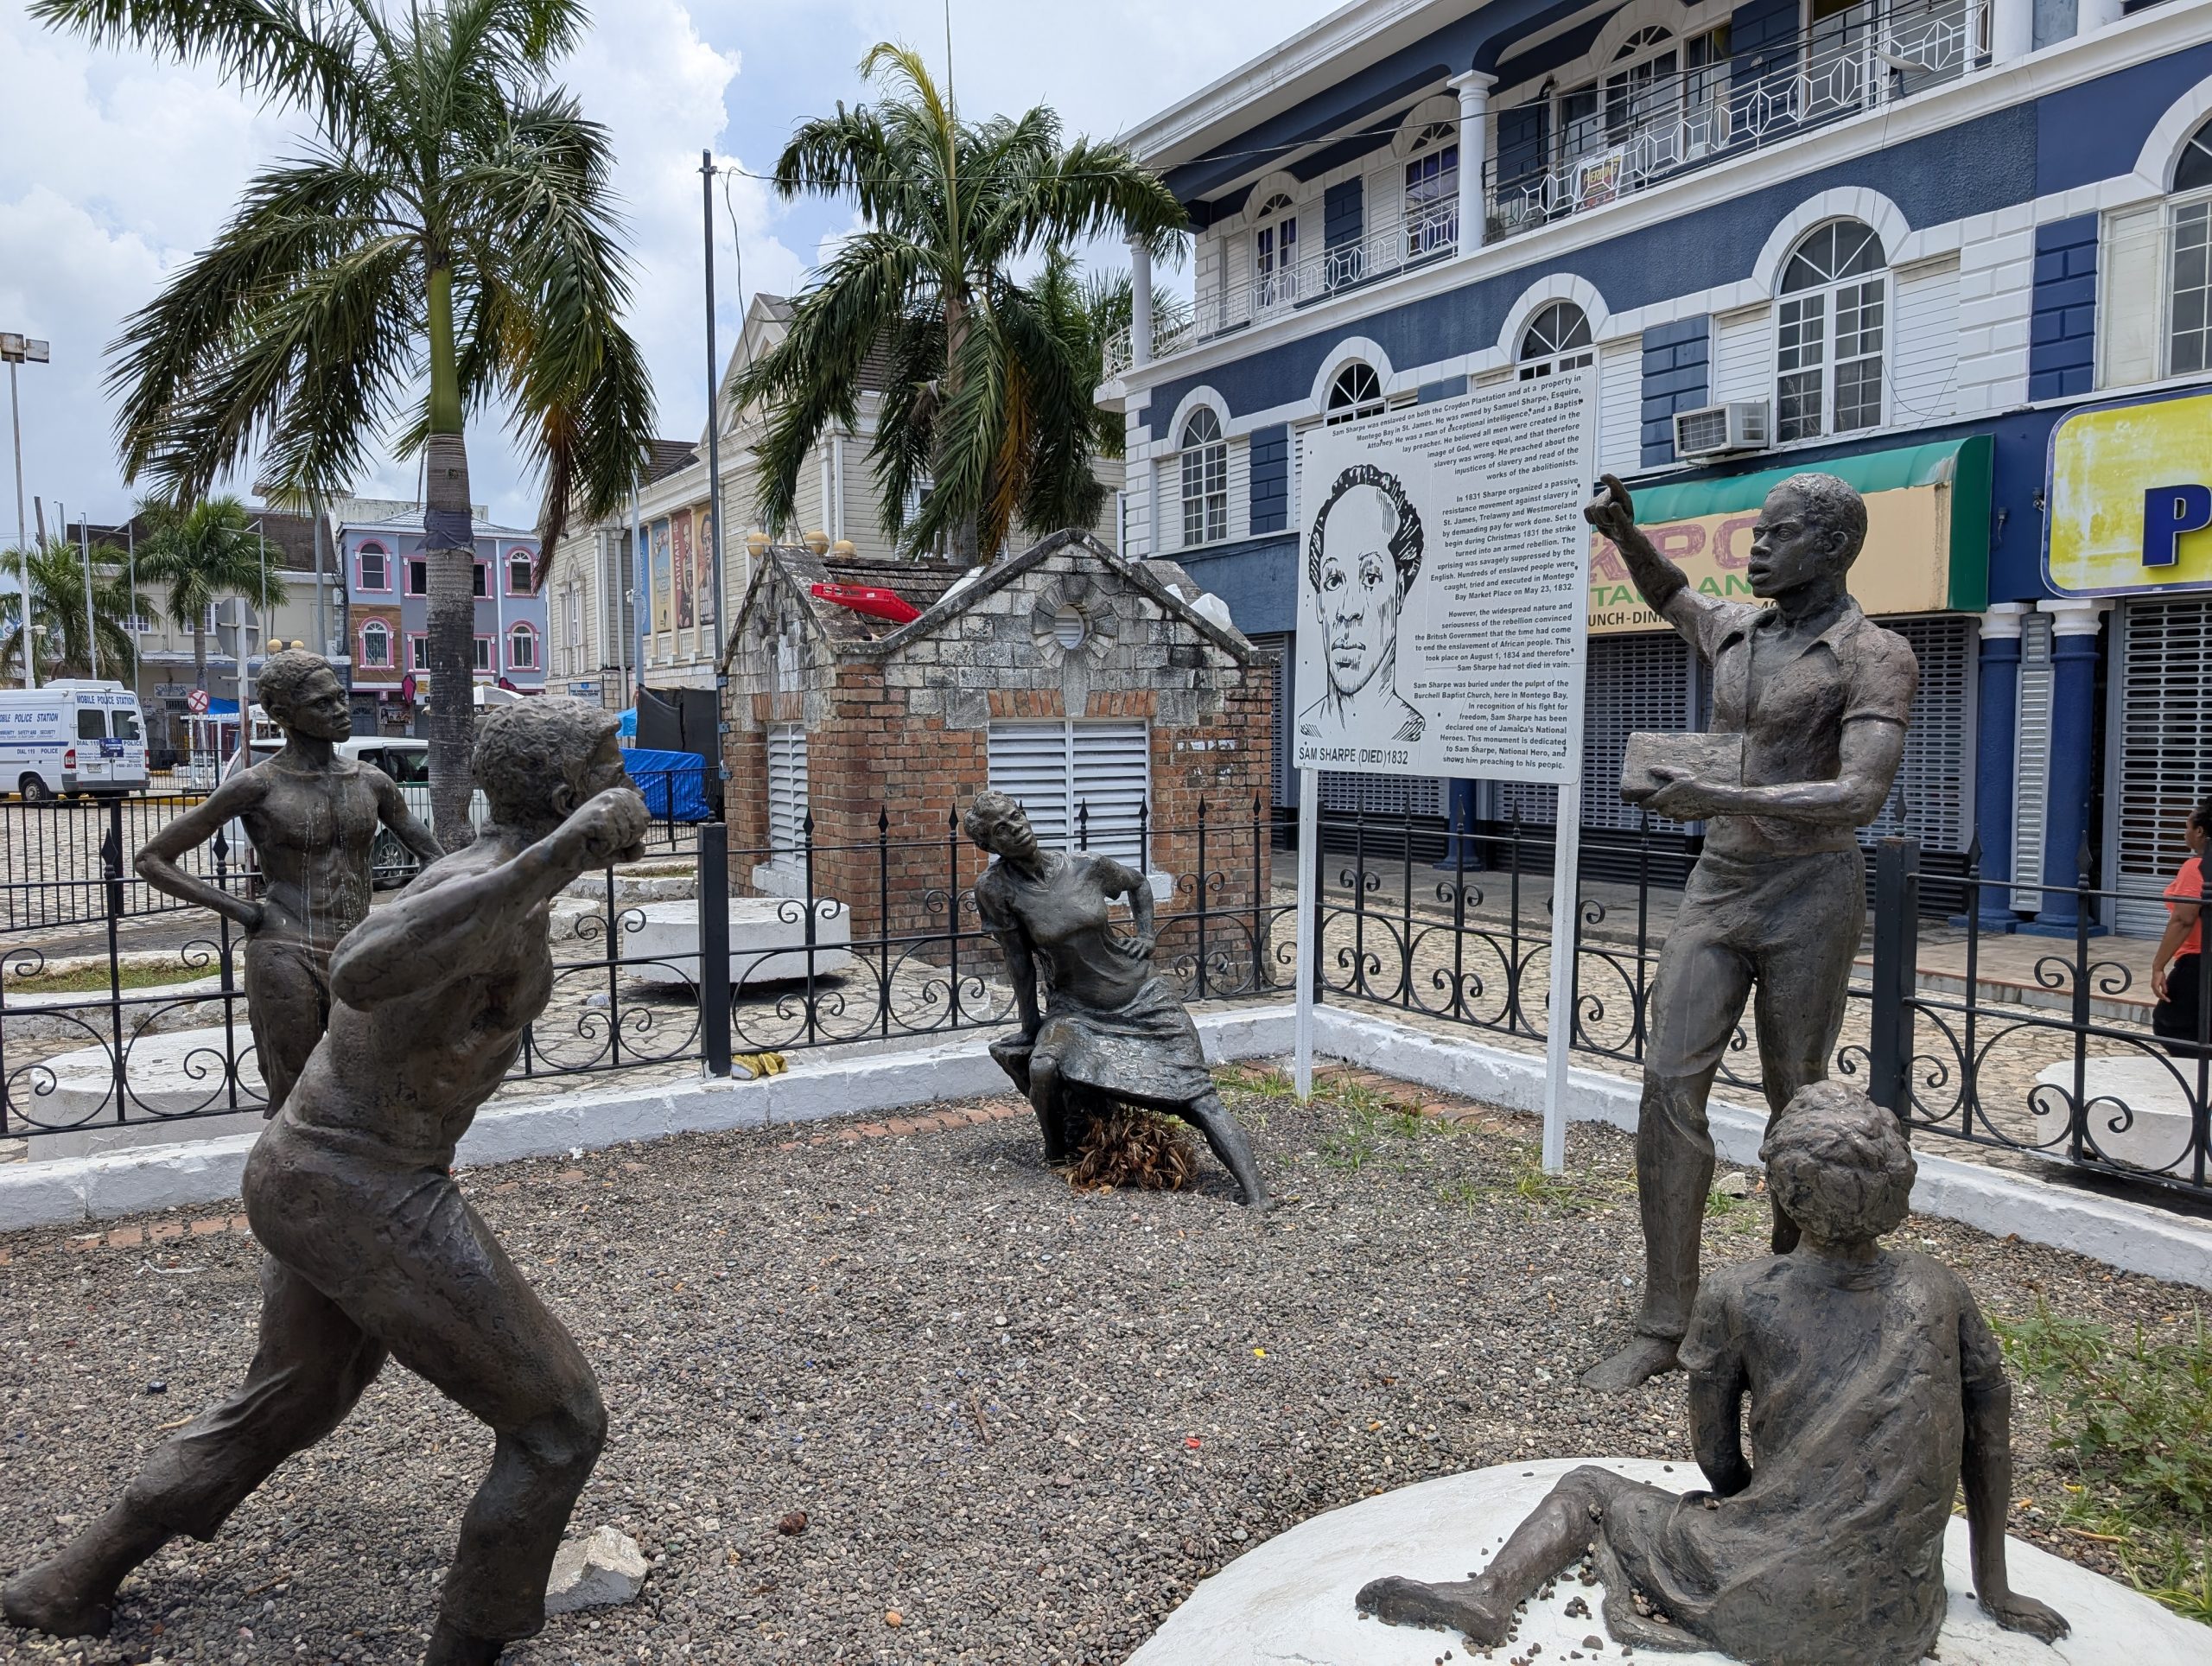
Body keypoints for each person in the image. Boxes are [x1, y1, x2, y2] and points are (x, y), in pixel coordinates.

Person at [4, 700, 650, 1663]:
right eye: (613, 766)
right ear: (568, 800)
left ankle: (71, 1580)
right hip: (358, 1183)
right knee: (557, 1424)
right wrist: (559, 855)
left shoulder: (487, 879)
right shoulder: (494, 878)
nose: (631, 783)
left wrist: (547, 864)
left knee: (292, 1396)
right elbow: (361, 964)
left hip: (318, 1175)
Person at [1357, 1085, 2069, 1666]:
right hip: (1893, 1618)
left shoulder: (1740, 1293)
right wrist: (1994, 1587)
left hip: (1775, 1598)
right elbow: (1990, 1442)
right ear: (1899, 1187)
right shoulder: (1941, 1289)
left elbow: (1716, 1456)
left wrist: (1749, 1519)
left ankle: (1489, 1595)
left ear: (1784, 1191)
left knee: (1588, 1488)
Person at [1580, 470, 1916, 1392]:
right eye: (1756, 531)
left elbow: (1859, 793)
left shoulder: (1873, 654)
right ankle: (1664, 1321)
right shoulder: (1735, 628)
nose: (1755, 546)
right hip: (1720, 882)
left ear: (1833, 546)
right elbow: (1668, 592)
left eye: (1776, 533)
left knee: (1797, 1100)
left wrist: (1717, 795)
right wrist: (1625, 534)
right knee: (1665, 1083)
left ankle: (1787, 1300)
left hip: (1810, 889)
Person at [133, 649, 443, 1113]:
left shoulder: (373, 782)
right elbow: (153, 859)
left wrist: (401, 918)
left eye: (340, 698)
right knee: (296, 1094)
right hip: (285, 950)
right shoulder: (257, 785)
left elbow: (434, 858)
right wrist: (246, 912)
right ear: (282, 714)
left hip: (358, 951)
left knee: (376, 1081)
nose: (340, 710)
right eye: (323, 704)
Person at [965, 790, 1271, 1208]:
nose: (1016, 830)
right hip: (1075, 1008)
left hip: (1142, 996)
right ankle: (1058, 1154)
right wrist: (1030, 1025)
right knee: (1042, 1067)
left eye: (1017, 817)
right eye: (1002, 830)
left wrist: (1147, 935)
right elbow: (1019, 963)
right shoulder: (995, 889)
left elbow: (1139, 884)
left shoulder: (1085, 867)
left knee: (1199, 1098)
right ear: (989, 846)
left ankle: (1256, 1195)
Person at [1296, 463, 1427, 744]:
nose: (1347, 610)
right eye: (1333, 580)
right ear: (1319, 601)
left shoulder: (1415, 732)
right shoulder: (1305, 728)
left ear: (1399, 591)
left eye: (1370, 577)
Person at [2150, 795, 2212, 1054]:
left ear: (2200, 831)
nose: (2185, 834)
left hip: (2199, 963)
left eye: (2187, 827)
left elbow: (2183, 919)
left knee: (2172, 1024)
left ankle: (2194, 1089)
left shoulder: (2197, 866)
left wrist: (2158, 966)